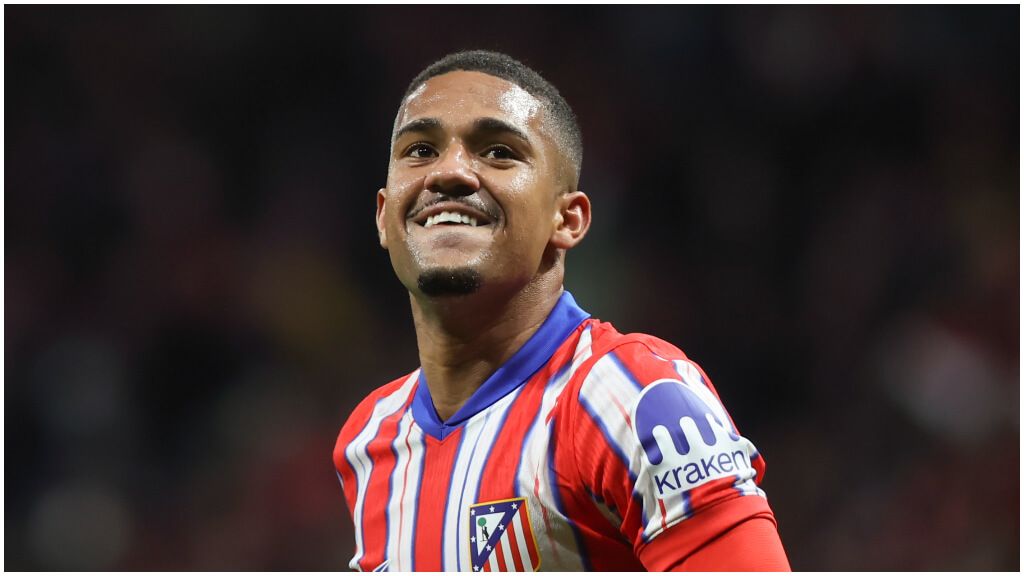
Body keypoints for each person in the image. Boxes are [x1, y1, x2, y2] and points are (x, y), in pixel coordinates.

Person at [334, 49, 790, 572]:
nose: (451, 172)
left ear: (567, 219)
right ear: (383, 216)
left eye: (498, 151)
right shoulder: (370, 439)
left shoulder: (631, 396)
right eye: (420, 149)